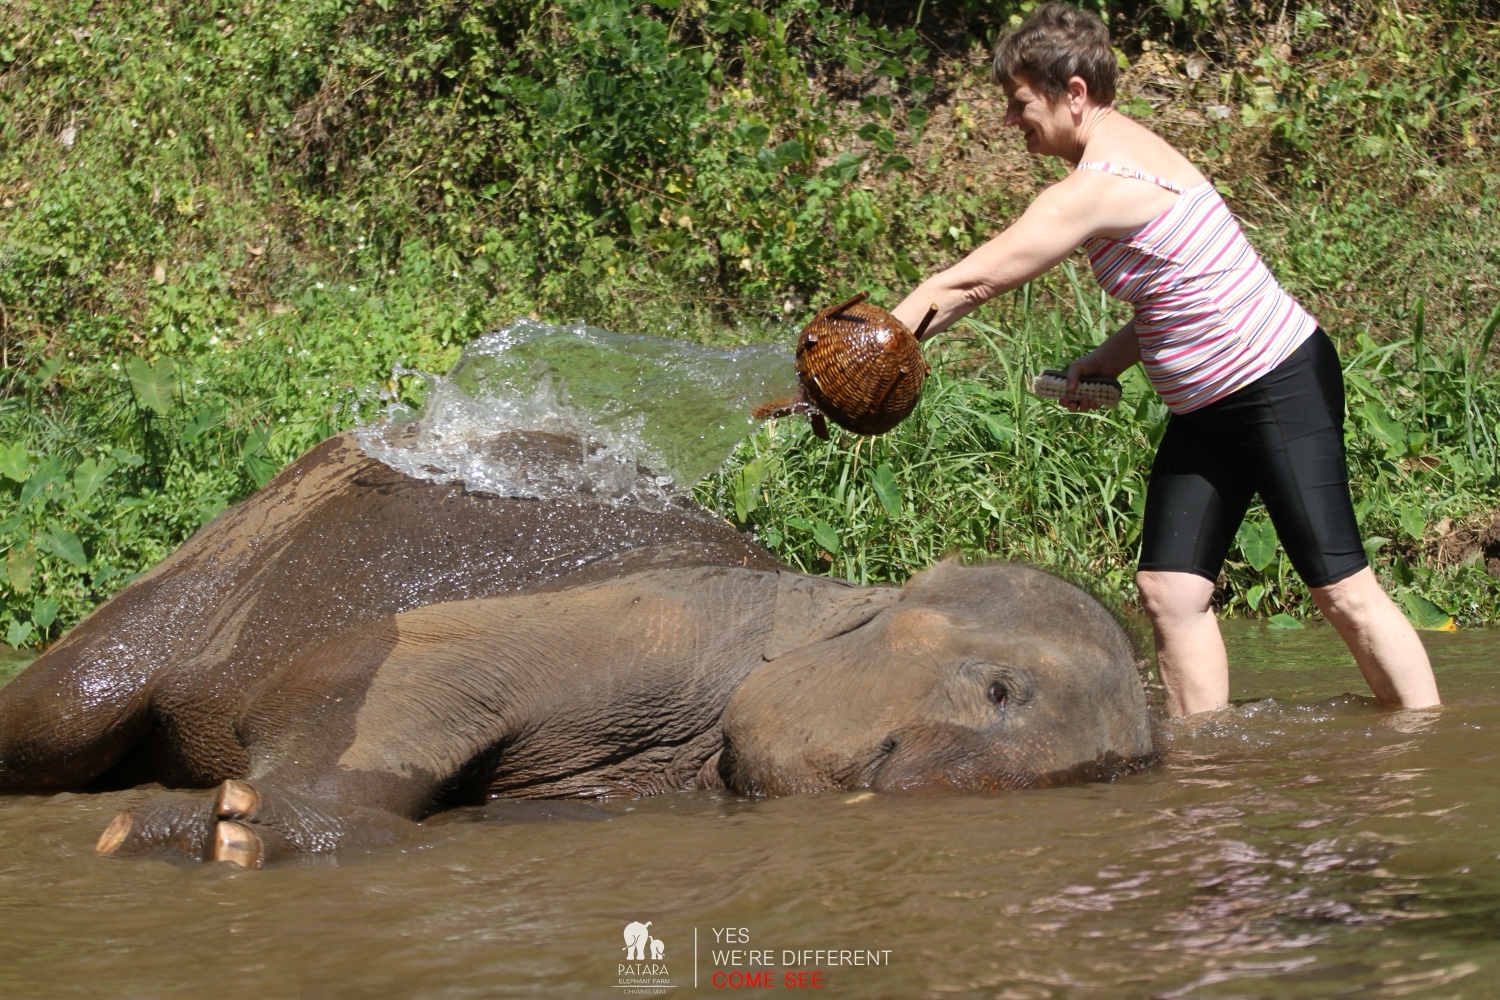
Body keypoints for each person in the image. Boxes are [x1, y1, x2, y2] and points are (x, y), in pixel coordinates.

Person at [891, 2, 1440, 717]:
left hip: (1275, 384)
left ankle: (1426, 749)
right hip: (1206, 407)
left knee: (1342, 591)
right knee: (1171, 592)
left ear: (1073, 93)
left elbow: (966, 285)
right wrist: (1108, 360)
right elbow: (1176, 289)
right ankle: (1204, 763)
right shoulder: (1117, 158)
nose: (1009, 119)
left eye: (1019, 103)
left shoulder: (1099, 185)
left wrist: (875, 347)